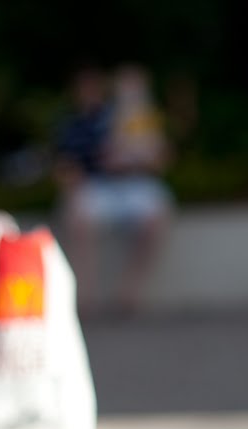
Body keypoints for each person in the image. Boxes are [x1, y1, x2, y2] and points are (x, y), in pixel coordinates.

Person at [54, 63, 174, 316]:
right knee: (78, 216)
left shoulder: (141, 117)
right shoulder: (83, 122)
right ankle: (83, 297)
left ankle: (129, 295)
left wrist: (141, 156)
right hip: (98, 186)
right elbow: (65, 166)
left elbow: (160, 158)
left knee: (157, 215)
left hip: (135, 185)